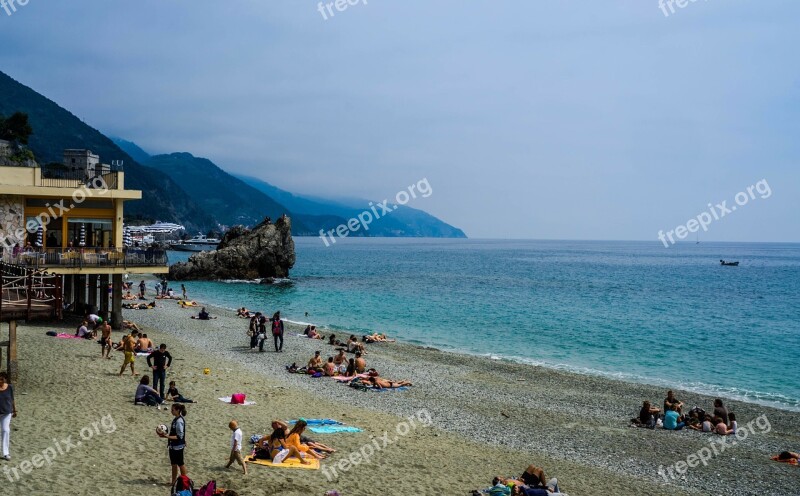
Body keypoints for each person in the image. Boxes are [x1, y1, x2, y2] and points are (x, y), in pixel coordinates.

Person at [159, 403, 188, 488]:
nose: (171, 411)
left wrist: (166, 436)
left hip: (178, 447)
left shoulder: (179, 421)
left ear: (178, 410)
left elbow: (179, 436)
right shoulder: (176, 419)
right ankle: (173, 481)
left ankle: (184, 482)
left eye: (173, 410)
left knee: (181, 464)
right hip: (173, 446)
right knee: (174, 464)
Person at [0, 371, 17, 461]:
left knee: (6, 430)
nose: (0, 381)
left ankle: (6, 453)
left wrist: (14, 410)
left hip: (6, 413)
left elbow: (12, 399)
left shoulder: (9, 387)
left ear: (5, 379)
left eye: (2, 379)